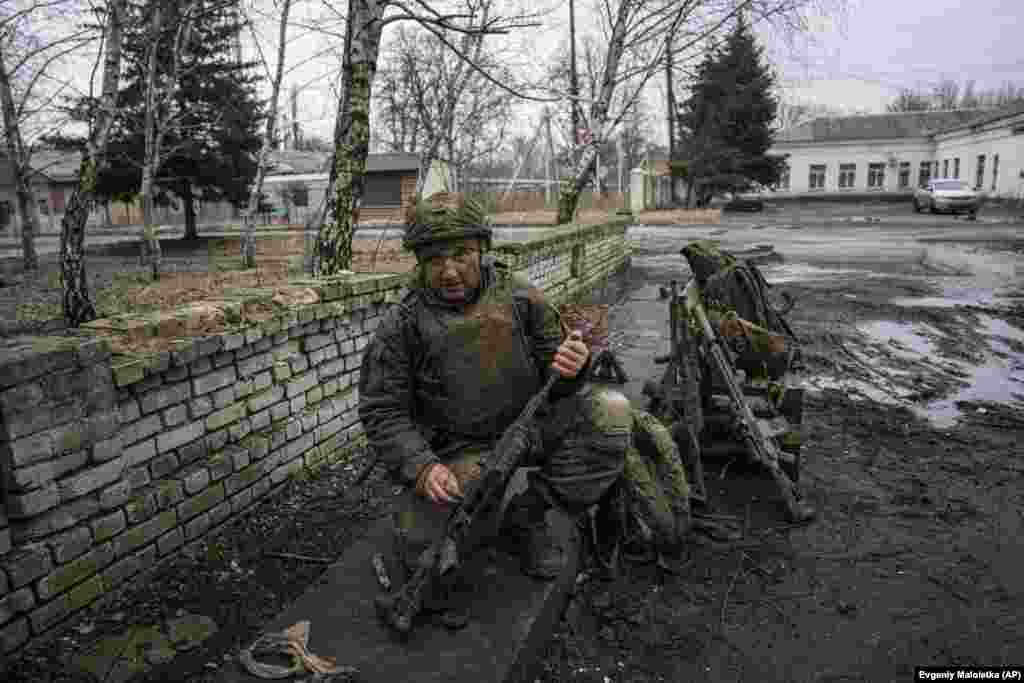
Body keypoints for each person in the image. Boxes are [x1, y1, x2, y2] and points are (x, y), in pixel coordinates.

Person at [357, 193, 632, 626]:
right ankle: (476, 519)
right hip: (461, 453)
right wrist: (423, 467)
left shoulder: (520, 297)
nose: (449, 271)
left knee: (610, 412)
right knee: (428, 558)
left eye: (461, 255)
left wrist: (574, 366)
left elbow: (558, 373)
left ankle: (530, 515)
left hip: (531, 429)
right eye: (433, 259)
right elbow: (382, 410)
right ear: (419, 263)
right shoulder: (403, 324)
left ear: (481, 249)